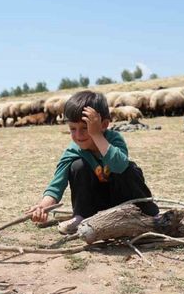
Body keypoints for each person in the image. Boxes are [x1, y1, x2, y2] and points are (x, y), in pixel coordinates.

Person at [29, 90, 159, 234]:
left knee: (129, 168)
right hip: (96, 206)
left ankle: (149, 214)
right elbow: (56, 185)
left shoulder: (114, 139)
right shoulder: (73, 150)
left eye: (85, 128)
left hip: (124, 201)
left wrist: (96, 135)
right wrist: (43, 206)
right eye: (73, 128)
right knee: (77, 166)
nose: (78, 135)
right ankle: (83, 216)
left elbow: (119, 165)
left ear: (104, 124)